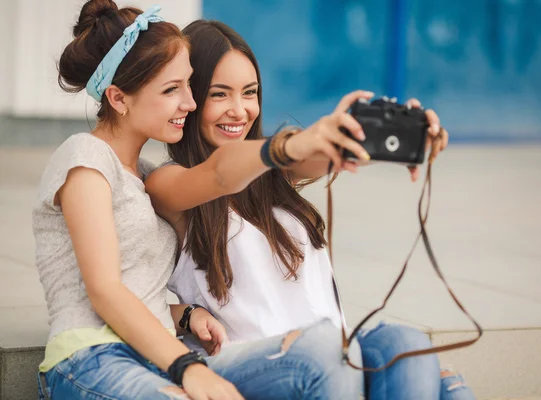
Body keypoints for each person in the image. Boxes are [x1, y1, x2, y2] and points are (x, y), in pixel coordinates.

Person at [32, 1, 383, 399]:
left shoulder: (143, 175)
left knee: (400, 349)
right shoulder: (85, 158)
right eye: (172, 89)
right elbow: (105, 291)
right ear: (118, 98)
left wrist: (185, 315)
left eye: (188, 86)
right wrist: (186, 367)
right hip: (92, 356)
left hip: (151, 351)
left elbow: (138, 287)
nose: (190, 102)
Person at [146, 20, 475, 400]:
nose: (240, 110)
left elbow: (337, 148)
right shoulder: (169, 184)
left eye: (250, 93)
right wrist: (291, 146)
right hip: (257, 364)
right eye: (220, 95)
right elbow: (223, 173)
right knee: (440, 387)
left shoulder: (272, 174)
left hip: (334, 357)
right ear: (192, 98)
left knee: (407, 344)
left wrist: (412, 137)